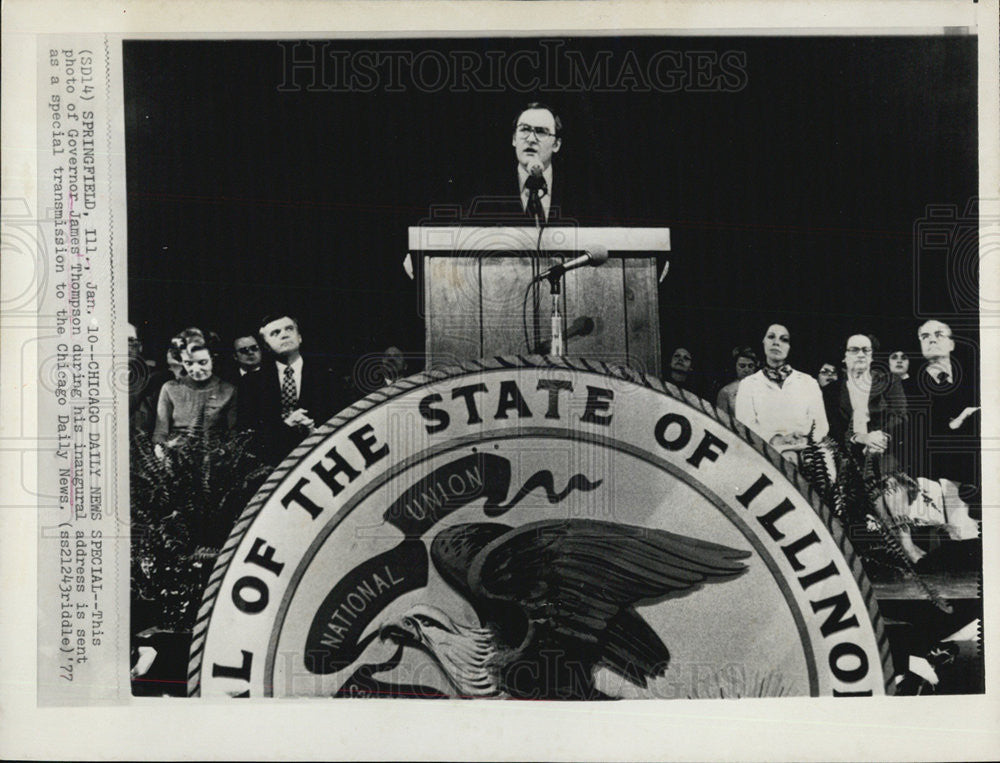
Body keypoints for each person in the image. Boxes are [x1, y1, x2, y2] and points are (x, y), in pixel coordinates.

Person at [238, 314, 339, 464]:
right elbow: (247, 437)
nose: (284, 335)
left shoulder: (328, 376)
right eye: (275, 333)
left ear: (299, 337)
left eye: (289, 329)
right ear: (266, 345)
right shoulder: (250, 383)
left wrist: (317, 433)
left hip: (323, 460)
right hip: (272, 465)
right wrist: (286, 426)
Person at [734, 323, 828, 459]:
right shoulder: (748, 384)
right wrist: (776, 439)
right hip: (765, 452)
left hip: (806, 450)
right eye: (771, 337)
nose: (776, 342)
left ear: (790, 347)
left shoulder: (809, 382)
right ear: (763, 342)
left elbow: (821, 425)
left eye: (784, 339)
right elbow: (745, 426)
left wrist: (803, 439)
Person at [822, 333, 906, 469]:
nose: (861, 354)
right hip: (844, 454)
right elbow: (832, 427)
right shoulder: (831, 391)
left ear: (871, 355)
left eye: (866, 350)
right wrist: (859, 438)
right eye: (854, 350)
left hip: (885, 451)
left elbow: (900, 417)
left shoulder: (890, 382)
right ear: (844, 357)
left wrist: (881, 438)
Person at [152, 341, 237, 450]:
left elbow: (233, 435)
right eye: (188, 363)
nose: (196, 369)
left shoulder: (228, 390)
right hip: (177, 454)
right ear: (181, 362)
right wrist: (161, 450)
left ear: (213, 359)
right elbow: (160, 432)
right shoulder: (170, 388)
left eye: (202, 362)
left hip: (213, 455)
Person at [716, 346, 758, 417]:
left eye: (750, 366)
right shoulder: (726, 391)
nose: (746, 370)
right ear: (735, 366)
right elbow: (722, 420)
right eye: (742, 366)